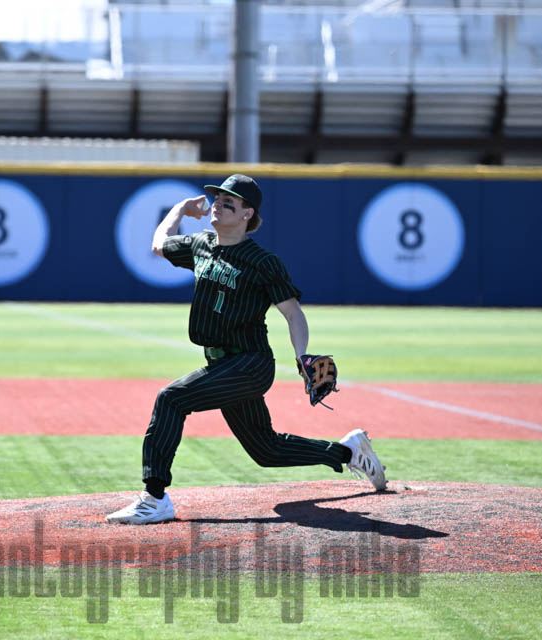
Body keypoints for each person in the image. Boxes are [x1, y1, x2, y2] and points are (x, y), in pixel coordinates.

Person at [106, 174, 386, 525]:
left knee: (171, 399)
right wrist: (180, 208)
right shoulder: (201, 244)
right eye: (217, 199)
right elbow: (159, 244)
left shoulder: (262, 262)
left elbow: (293, 313)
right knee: (267, 450)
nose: (218, 206)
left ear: (247, 213)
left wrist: (302, 355)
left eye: (228, 203)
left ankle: (155, 498)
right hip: (220, 365)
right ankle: (349, 452)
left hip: (251, 364)